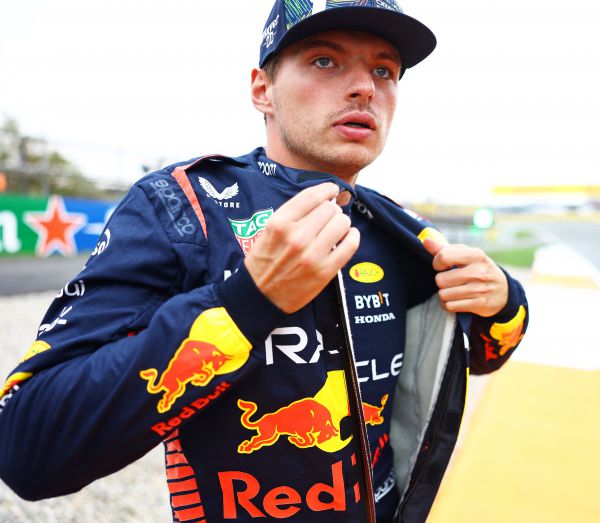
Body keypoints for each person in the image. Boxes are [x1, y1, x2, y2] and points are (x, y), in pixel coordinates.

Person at [0, 1, 528, 522]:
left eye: (384, 70)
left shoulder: (399, 228)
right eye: (325, 60)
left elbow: (475, 356)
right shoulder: (182, 206)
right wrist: (246, 304)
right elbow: (26, 448)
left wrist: (505, 302)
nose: (365, 87)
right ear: (262, 90)